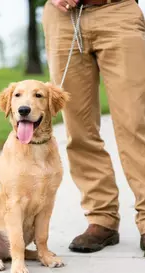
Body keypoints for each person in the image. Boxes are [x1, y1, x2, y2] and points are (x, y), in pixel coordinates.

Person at [42, 0, 145, 253]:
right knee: (78, 129)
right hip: (62, 18)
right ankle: (102, 219)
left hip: (117, 12)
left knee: (136, 123)